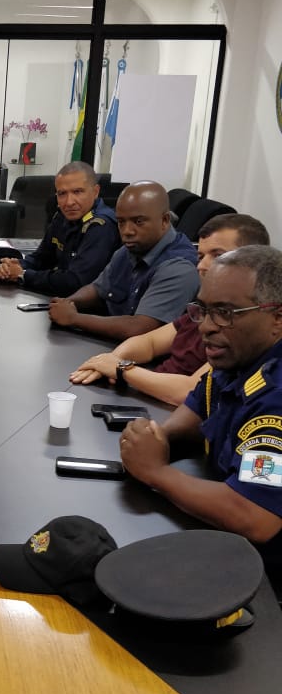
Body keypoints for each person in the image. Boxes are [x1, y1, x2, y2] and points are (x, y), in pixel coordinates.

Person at [120, 246, 282, 581]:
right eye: (204, 310)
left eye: (225, 313)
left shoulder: (277, 395)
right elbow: (196, 410)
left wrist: (156, 472)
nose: (206, 327)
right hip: (225, 547)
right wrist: (156, 437)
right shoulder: (238, 359)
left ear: (277, 319)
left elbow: (256, 515)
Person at [70, 213, 270, 405]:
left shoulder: (245, 328)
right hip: (147, 394)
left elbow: (191, 391)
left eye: (218, 256)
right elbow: (149, 343)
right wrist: (112, 359)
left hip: (170, 409)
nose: (202, 265)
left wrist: (122, 369)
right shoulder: (202, 310)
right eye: (200, 256)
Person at [48, 181, 199, 342]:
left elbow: (139, 328)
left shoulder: (178, 267)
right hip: (114, 348)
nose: (127, 231)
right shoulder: (131, 249)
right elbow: (98, 289)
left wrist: (74, 318)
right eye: (121, 222)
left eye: (138, 221)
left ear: (164, 220)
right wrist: (70, 302)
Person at [0, 162, 119, 296]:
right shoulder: (62, 217)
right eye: (62, 193)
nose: (69, 202)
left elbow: (75, 282)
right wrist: (16, 266)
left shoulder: (101, 226)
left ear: (95, 192)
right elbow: (42, 258)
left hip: (91, 310)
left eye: (77, 192)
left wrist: (22, 274)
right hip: (62, 302)